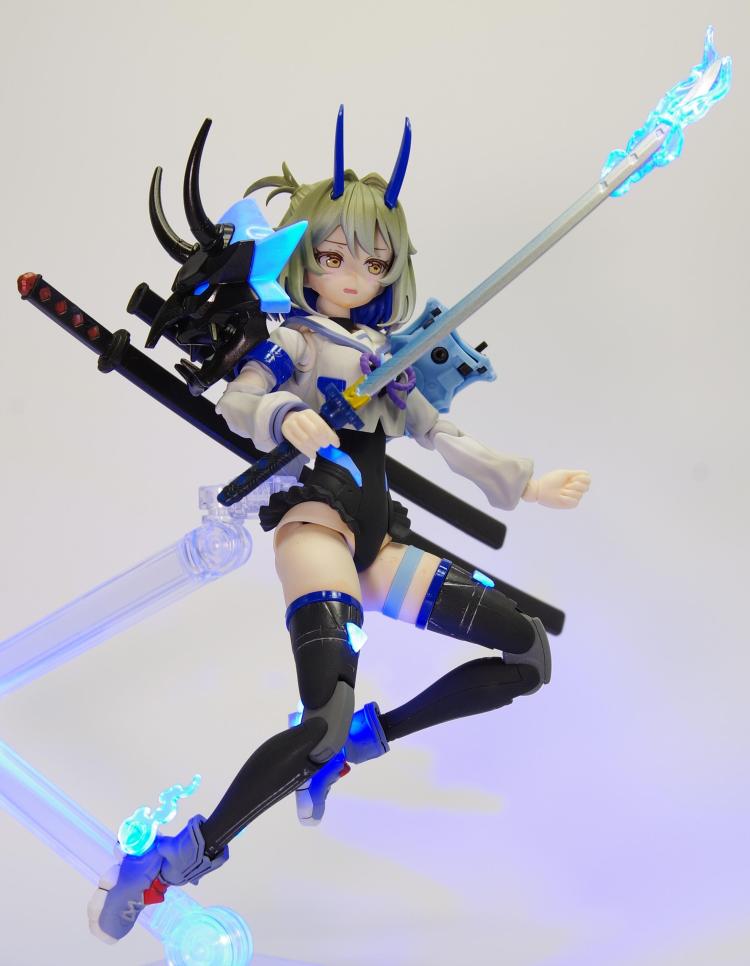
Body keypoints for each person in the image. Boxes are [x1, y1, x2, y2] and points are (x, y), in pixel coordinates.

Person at [89, 109, 590, 945]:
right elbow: (240, 401)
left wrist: (524, 482)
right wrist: (285, 416)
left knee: (527, 653)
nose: (354, 273)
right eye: (333, 256)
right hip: (317, 524)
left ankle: (368, 739)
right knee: (315, 723)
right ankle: (174, 860)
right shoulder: (292, 340)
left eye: (373, 260)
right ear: (306, 258)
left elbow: (440, 432)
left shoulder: (386, 359)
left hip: (379, 538)